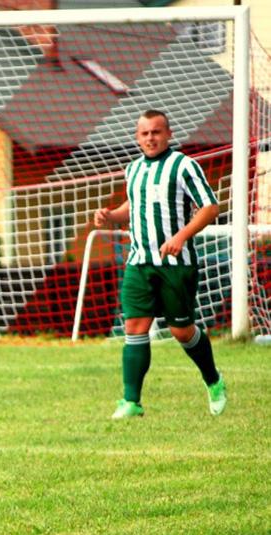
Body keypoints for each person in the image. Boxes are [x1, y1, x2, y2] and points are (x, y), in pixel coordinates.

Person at [93, 109, 229, 419]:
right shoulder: (134, 170)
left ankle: (214, 380)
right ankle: (131, 402)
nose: (150, 138)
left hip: (176, 264)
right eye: (144, 133)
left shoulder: (183, 166)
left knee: (181, 331)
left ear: (168, 134)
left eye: (156, 132)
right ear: (137, 138)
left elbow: (210, 207)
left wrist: (181, 237)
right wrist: (111, 216)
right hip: (140, 262)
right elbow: (134, 204)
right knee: (135, 327)